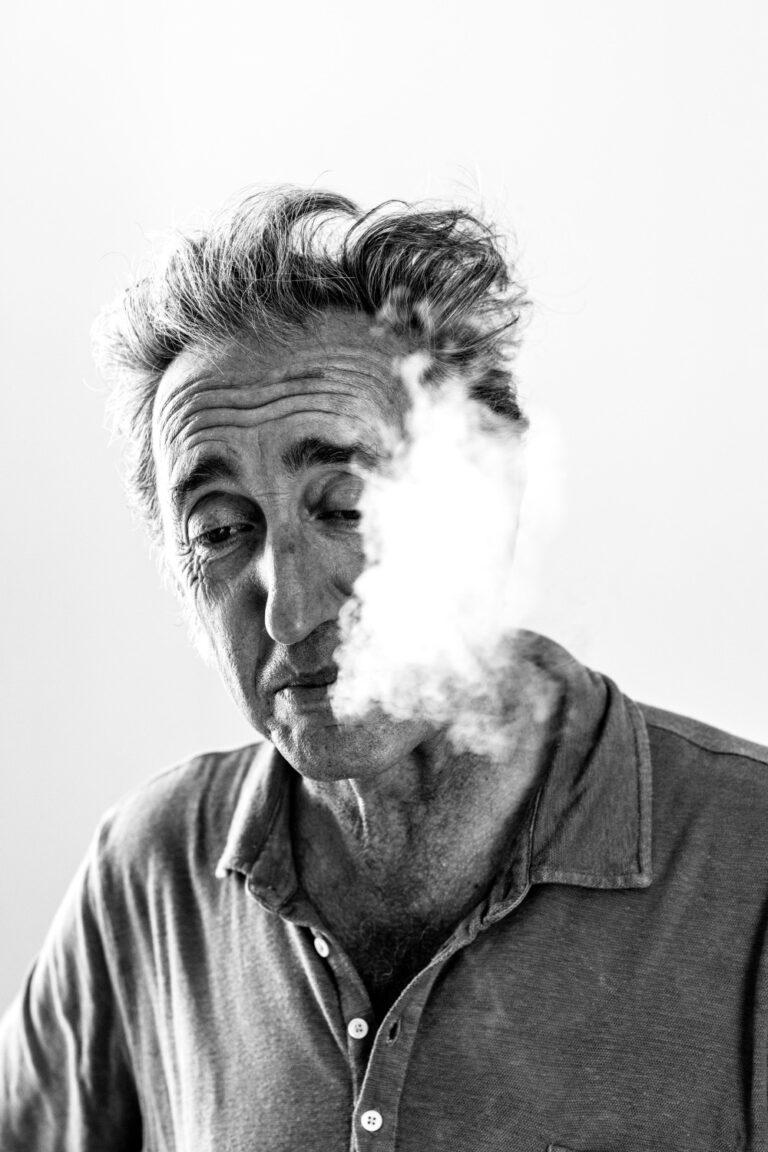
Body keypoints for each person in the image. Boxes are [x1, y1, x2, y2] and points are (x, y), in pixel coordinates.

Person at [2, 187, 767, 1152]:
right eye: (222, 531)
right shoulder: (148, 879)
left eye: (347, 509)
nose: (287, 611)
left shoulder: (749, 866)